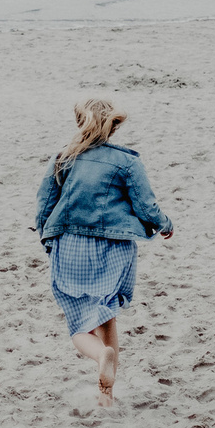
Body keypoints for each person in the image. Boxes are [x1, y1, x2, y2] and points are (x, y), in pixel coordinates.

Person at [33, 98, 173, 408]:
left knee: (80, 325)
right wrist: (164, 224)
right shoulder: (128, 162)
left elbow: (44, 205)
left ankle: (99, 355)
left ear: (79, 122)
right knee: (107, 314)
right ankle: (106, 395)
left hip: (72, 246)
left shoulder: (63, 159)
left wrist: (46, 239)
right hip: (115, 248)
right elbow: (145, 205)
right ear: (114, 126)